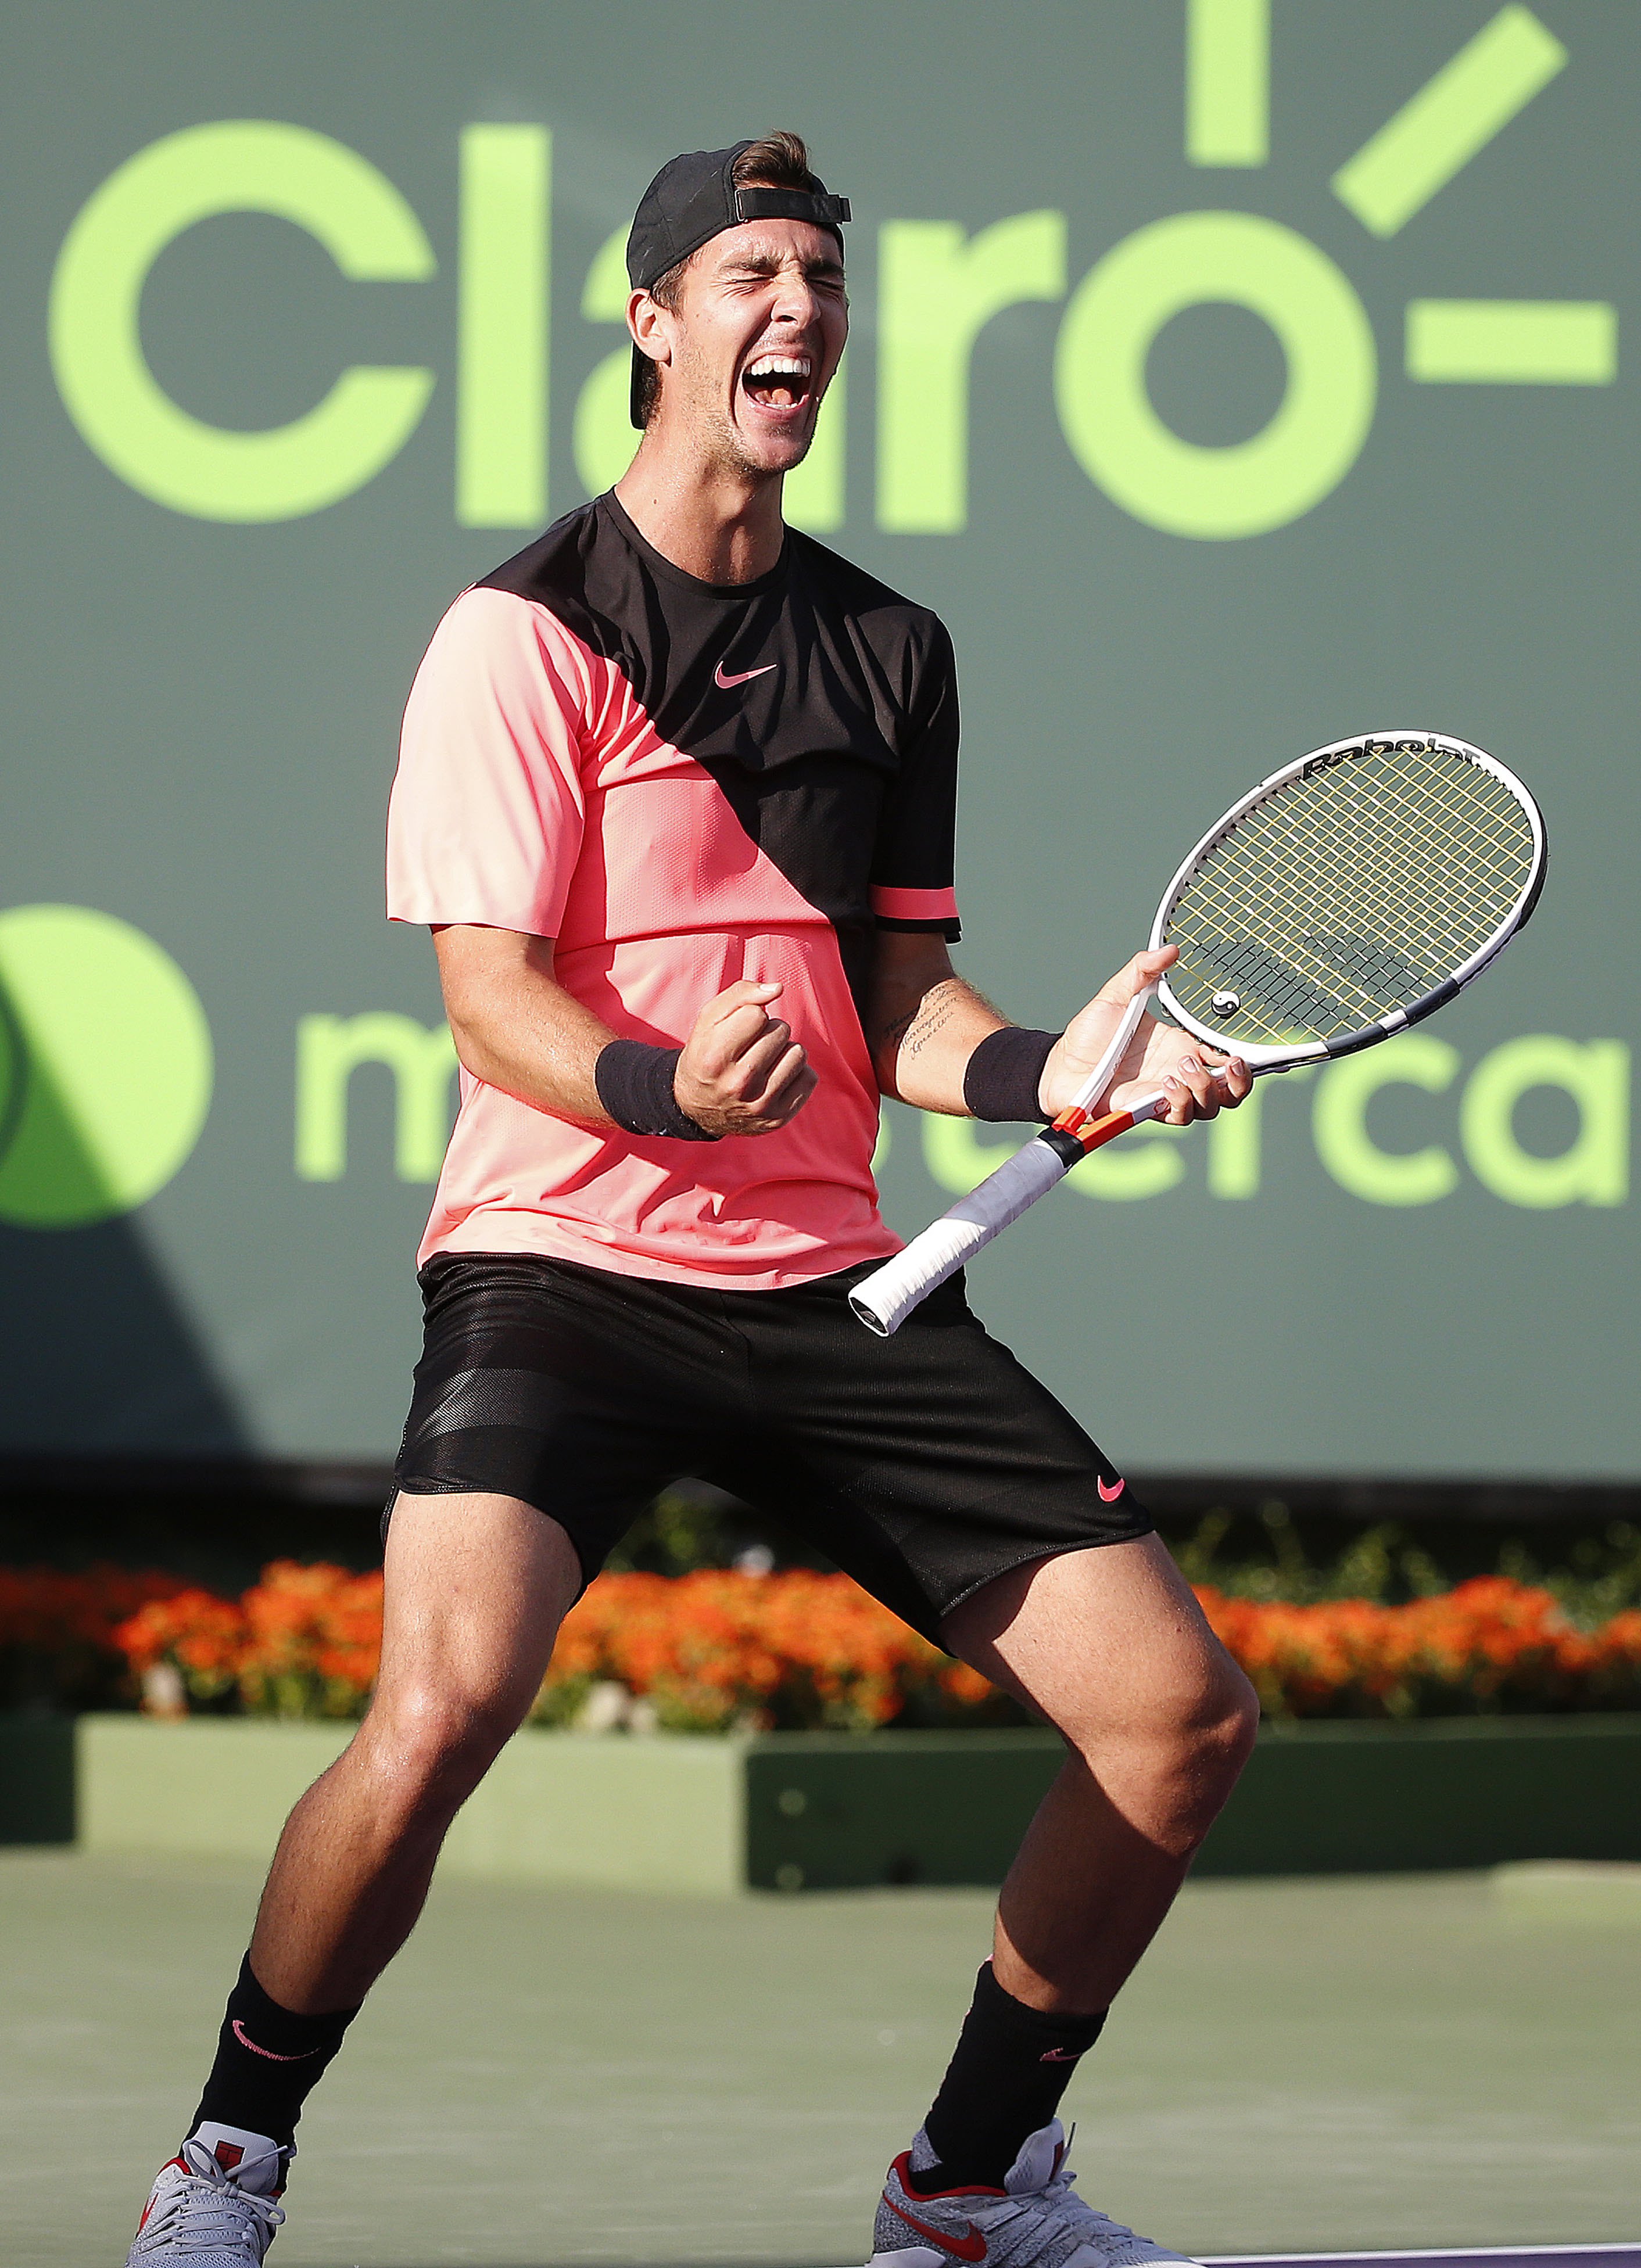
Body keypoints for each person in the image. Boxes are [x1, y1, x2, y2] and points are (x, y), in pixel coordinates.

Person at [125, 132, 1258, 2268]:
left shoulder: (894, 647)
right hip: (562, 1266)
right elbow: (489, 1001)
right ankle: (226, 2163)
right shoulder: (519, 634)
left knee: (1179, 1717)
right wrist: (663, 1085)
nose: (798, 310)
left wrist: (1056, 1069)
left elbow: (903, 1001)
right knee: (440, 1712)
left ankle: (963, 2186)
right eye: (751, 275)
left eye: (821, 280)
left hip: (833, 1287)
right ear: (653, 325)